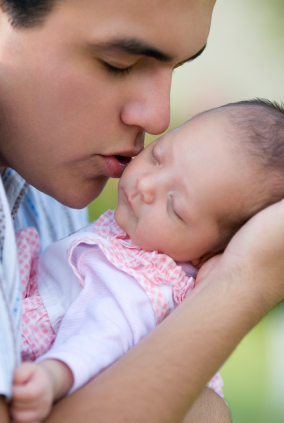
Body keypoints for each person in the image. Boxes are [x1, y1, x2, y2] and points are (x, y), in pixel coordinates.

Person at [1, 0, 284, 422]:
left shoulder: (48, 194)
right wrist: (241, 285)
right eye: (118, 63)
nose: (158, 117)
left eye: (178, 68)